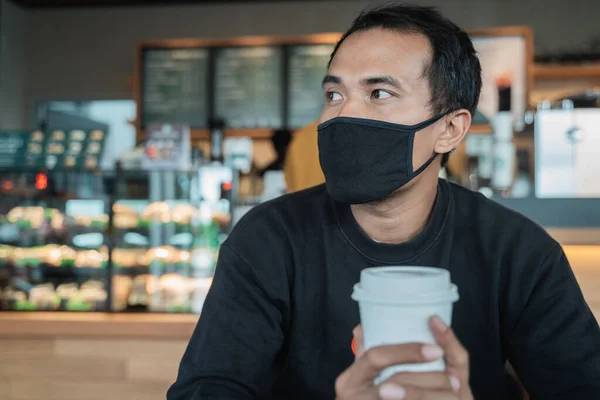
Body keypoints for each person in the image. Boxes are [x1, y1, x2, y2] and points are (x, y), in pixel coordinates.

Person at [167, 4, 600, 400]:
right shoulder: (268, 240)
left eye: (379, 94)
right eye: (335, 95)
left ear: (450, 129)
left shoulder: (518, 253)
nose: (345, 114)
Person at [283, 120, 325, 192]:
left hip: (303, 200)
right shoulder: (345, 132)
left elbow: (290, 187)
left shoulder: (302, 135)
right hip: (335, 202)